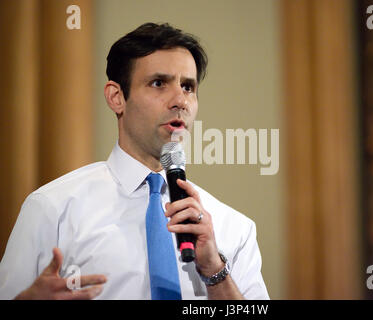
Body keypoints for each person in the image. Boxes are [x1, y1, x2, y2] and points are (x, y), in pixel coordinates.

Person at [0, 22, 269, 300]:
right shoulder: (52, 209)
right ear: (117, 98)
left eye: (188, 87)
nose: (180, 100)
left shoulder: (234, 228)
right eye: (158, 83)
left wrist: (215, 270)